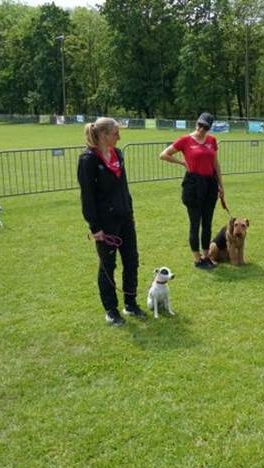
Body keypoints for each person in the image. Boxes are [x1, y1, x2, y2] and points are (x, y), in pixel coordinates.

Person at [77, 117, 144, 326]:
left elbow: (123, 187)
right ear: (104, 135)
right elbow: (87, 196)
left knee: (132, 260)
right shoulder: (88, 160)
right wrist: (95, 227)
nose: (119, 137)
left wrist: (130, 211)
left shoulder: (118, 154)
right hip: (105, 223)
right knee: (108, 265)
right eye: (115, 133)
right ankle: (111, 310)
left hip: (125, 217)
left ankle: (130, 303)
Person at [160, 112, 225, 269]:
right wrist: (182, 162)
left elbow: (216, 163)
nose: (201, 129)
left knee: (207, 223)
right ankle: (197, 259)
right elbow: (163, 155)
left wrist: (221, 186)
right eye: (199, 125)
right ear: (196, 123)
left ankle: (206, 256)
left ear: (209, 128)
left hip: (210, 184)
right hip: (193, 185)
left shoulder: (211, 140)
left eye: (205, 127)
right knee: (195, 223)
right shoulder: (185, 140)